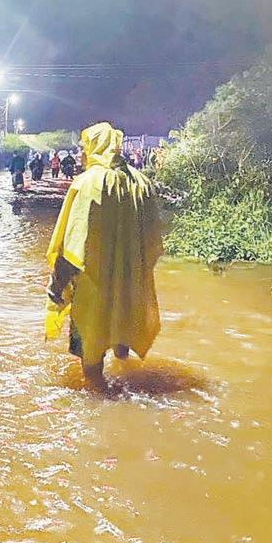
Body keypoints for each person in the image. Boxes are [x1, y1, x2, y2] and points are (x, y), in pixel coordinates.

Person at [45, 122, 163, 391]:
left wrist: (57, 285)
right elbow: (153, 243)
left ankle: (99, 400)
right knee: (123, 339)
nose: (82, 154)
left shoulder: (87, 184)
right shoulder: (142, 183)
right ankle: (127, 385)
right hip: (131, 287)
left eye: (84, 147)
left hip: (94, 288)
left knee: (91, 356)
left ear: (94, 147)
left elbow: (72, 246)